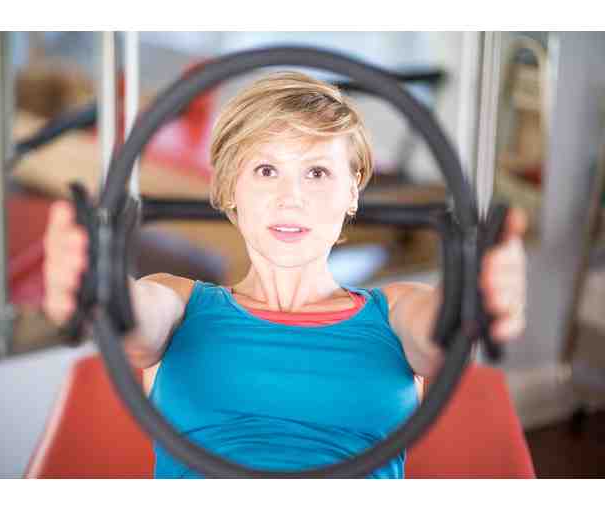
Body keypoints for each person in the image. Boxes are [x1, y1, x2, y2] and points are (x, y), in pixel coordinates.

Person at [43, 71, 527, 478]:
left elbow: (444, 329)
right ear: (229, 189)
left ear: (353, 191)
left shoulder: (399, 311)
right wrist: (94, 280)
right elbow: (130, 320)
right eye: (266, 170)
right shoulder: (177, 302)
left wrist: (480, 291)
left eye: (316, 172)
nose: (290, 198)